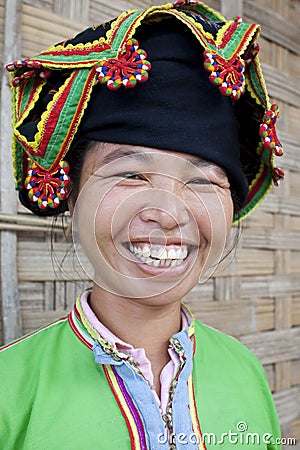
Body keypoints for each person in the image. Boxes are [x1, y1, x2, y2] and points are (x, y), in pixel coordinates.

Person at [0, 1, 285, 449]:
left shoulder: (246, 372)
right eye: (131, 174)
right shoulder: (9, 391)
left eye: (203, 180)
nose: (169, 213)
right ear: (72, 194)